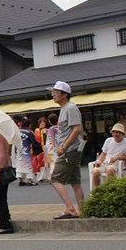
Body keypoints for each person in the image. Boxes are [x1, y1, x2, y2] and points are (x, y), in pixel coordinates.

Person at [49, 81, 85, 219]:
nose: (53, 94)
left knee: (55, 179)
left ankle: (70, 209)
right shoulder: (64, 108)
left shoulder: (70, 108)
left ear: (64, 94)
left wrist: (64, 147)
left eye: (56, 91)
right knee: (75, 181)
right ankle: (82, 210)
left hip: (69, 150)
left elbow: (77, 129)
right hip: (71, 150)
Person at [91, 123, 126, 188]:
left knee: (110, 169)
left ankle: (108, 189)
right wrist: (99, 161)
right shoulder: (108, 140)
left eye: (118, 132)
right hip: (105, 162)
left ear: (122, 133)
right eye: (114, 132)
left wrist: (117, 157)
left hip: (117, 164)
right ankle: (97, 190)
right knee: (95, 171)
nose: (115, 134)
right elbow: (103, 153)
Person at [16, 117, 38, 186]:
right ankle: (29, 179)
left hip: (19, 150)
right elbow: (34, 142)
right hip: (27, 150)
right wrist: (38, 148)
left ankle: (21, 179)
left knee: (19, 164)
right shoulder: (29, 132)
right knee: (28, 164)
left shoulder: (18, 131)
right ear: (29, 125)